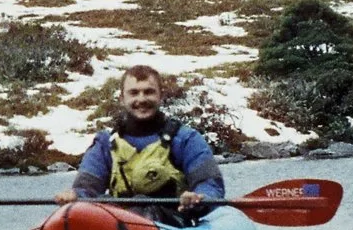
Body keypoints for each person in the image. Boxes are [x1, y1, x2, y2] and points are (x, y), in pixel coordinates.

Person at [55, 64, 226, 218]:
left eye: (149, 92)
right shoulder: (105, 143)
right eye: (134, 93)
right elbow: (86, 189)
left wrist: (198, 198)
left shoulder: (186, 139)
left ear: (161, 96)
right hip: (119, 225)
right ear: (122, 99)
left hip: (174, 224)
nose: (142, 99)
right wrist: (75, 196)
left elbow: (211, 186)